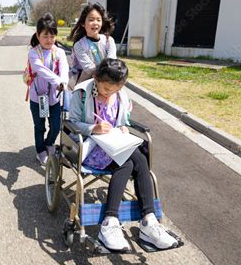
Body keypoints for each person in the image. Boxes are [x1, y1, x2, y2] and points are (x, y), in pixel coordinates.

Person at [69, 58, 178, 251]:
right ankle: (134, 222)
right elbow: (73, 122)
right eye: (105, 88)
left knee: (138, 159)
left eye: (115, 88)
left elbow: (123, 121)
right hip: (93, 147)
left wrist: (123, 128)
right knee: (129, 163)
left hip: (116, 146)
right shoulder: (82, 93)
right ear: (95, 78)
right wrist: (93, 128)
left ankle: (142, 221)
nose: (109, 92)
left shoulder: (121, 95)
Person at [28, 13, 69, 165]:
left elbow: (64, 68)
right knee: (39, 126)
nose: (49, 40)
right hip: (38, 98)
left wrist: (63, 81)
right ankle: (40, 151)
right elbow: (40, 70)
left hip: (54, 98)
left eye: (52, 36)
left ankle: (49, 143)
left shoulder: (59, 52)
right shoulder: (33, 52)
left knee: (56, 126)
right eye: (45, 36)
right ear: (38, 35)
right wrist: (58, 80)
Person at [67, 3, 117, 87]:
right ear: (83, 23)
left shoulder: (109, 41)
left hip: (108, 85)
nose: (95, 23)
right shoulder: (79, 45)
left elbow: (111, 62)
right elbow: (89, 68)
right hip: (86, 87)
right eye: (91, 20)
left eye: (98, 19)